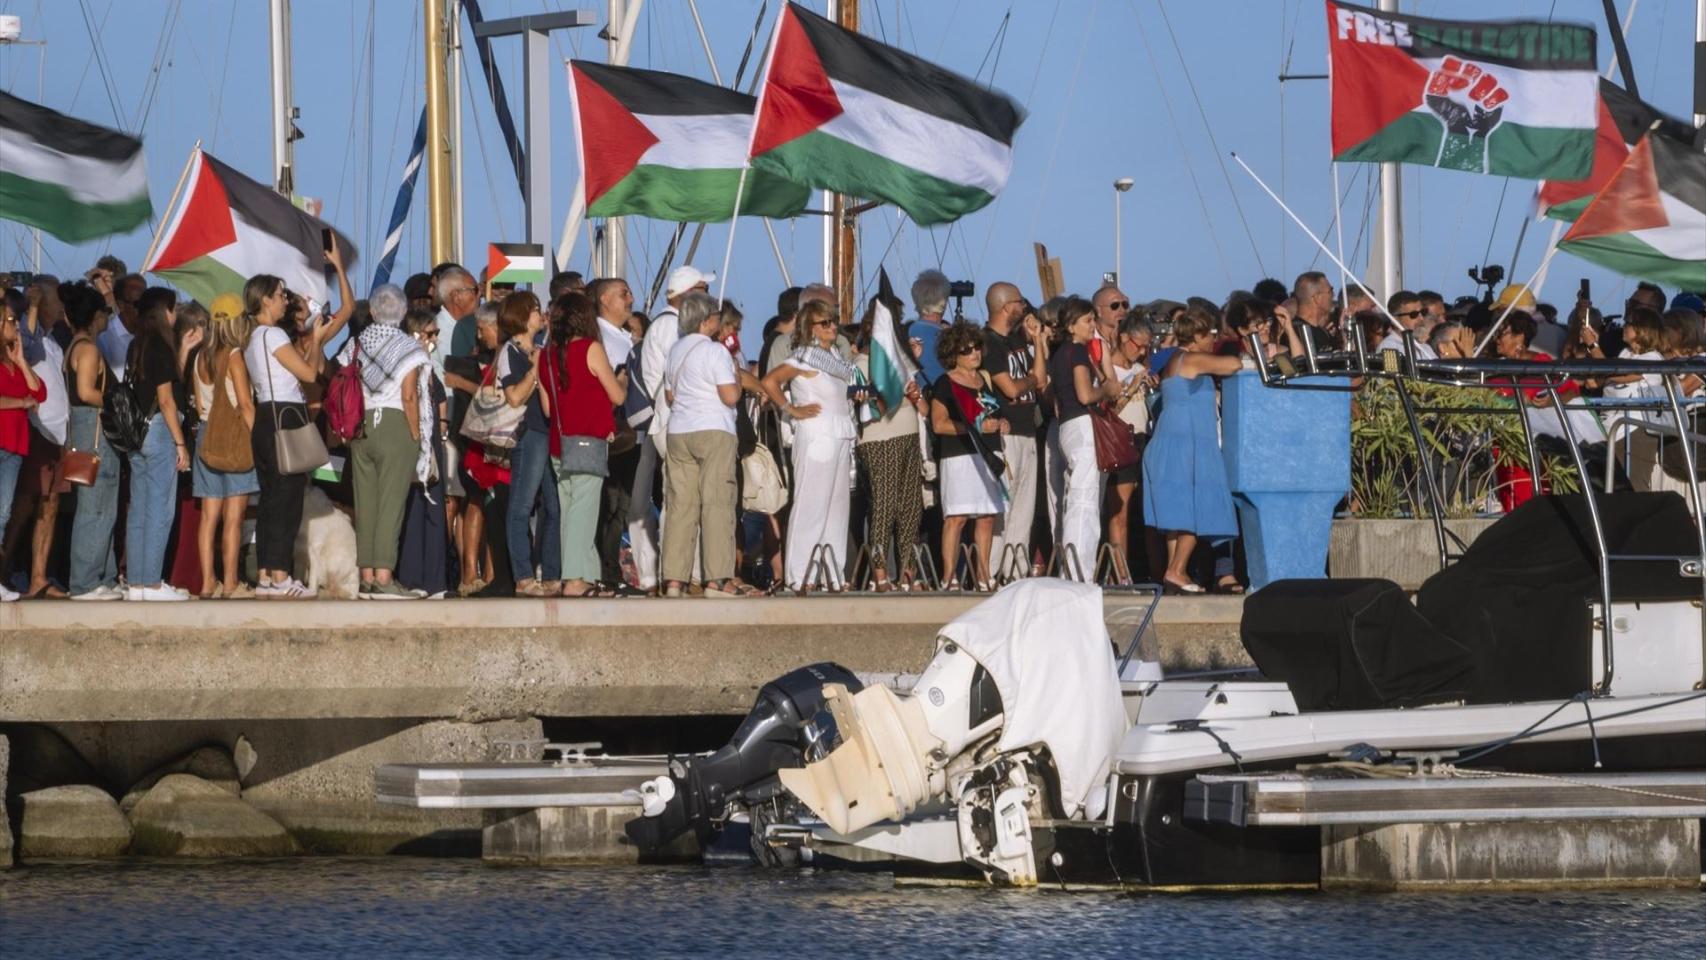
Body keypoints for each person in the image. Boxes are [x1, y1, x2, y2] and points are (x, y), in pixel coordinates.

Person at [245, 242, 351, 599]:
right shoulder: (273, 334)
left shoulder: (252, 338)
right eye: (278, 295)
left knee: (271, 497)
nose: (283, 301)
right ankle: (280, 576)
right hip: (283, 415)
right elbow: (307, 374)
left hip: (264, 415)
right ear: (264, 301)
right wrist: (318, 340)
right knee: (286, 499)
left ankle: (266, 574)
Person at [1142, 306, 1244, 595]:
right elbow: (1233, 366)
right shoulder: (1193, 359)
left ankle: (1175, 572)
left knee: (1175, 513)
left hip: (1170, 441)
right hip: (1188, 442)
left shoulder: (1173, 359)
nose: (1213, 339)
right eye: (1209, 334)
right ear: (1197, 335)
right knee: (1196, 507)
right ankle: (1176, 569)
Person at [662, 291, 757, 598]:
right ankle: (717, 578)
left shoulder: (675, 351)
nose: (719, 320)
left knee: (681, 506)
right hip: (713, 429)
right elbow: (730, 397)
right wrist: (739, 380)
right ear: (706, 321)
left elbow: (670, 396)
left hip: (679, 431)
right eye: (716, 316)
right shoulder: (716, 352)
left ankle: (674, 579)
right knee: (717, 504)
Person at [761, 299, 857, 593]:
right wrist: (792, 409)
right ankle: (799, 573)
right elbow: (770, 381)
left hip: (841, 434)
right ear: (810, 327)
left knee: (837, 507)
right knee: (810, 505)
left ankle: (832, 572)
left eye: (833, 321)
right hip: (816, 435)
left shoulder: (840, 363)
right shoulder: (803, 357)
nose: (832, 327)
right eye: (824, 322)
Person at [347, 284, 431, 599]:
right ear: (404, 311)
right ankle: (384, 577)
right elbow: (410, 396)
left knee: (365, 502)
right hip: (395, 422)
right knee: (391, 504)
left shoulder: (357, 344)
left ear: (372, 312)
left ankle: (366, 575)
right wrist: (415, 435)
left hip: (361, 425)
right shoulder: (408, 347)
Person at [632, 266, 713, 592]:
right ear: (687, 294)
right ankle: (680, 573)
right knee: (680, 499)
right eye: (704, 289)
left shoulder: (667, 327)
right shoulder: (670, 328)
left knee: (677, 498)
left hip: (669, 422)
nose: (709, 296)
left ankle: (672, 573)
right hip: (673, 421)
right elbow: (676, 379)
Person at [541, 292, 626, 598]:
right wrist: (623, 381)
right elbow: (617, 396)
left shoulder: (546, 355)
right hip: (588, 441)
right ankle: (575, 578)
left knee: (570, 511)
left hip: (558, 444)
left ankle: (588, 576)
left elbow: (549, 409)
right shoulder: (591, 349)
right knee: (585, 511)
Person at [853, 295, 927, 591]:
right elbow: (874, 406)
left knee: (910, 506)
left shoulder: (903, 361)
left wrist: (915, 386)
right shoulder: (861, 361)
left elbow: (921, 406)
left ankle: (908, 571)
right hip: (879, 437)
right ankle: (879, 573)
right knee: (883, 506)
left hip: (909, 432)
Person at [122, 301, 192, 602]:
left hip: (136, 434)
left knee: (139, 509)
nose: (176, 315)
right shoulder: (161, 349)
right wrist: (180, 443)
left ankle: (137, 582)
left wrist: (184, 353)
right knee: (161, 509)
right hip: (161, 432)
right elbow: (166, 401)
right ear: (164, 312)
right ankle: (151, 582)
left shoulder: (136, 347)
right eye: (173, 308)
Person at [190, 294, 258, 599]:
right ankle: (231, 583)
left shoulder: (199, 356)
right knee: (234, 517)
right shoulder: (233, 356)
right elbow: (244, 404)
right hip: (233, 439)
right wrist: (263, 441)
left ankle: (208, 582)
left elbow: (201, 404)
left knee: (208, 517)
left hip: (205, 437)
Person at [931, 321, 1007, 590]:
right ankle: (949, 576)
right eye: (967, 350)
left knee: (987, 517)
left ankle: (983, 575)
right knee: (957, 517)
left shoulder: (984, 379)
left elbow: (992, 413)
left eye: (977, 347)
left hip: (988, 454)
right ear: (954, 354)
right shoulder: (946, 383)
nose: (974, 353)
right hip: (959, 457)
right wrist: (973, 428)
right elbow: (938, 424)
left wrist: (1000, 424)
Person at [1048, 297, 1119, 581]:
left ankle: (1076, 569)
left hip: (1067, 426)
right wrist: (1108, 389)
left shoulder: (1059, 353)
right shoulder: (1076, 351)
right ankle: (1078, 572)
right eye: (1087, 321)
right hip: (1081, 424)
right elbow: (1085, 395)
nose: (1093, 326)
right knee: (1084, 500)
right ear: (1071, 325)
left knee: (1077, 495)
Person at [61, 284, 123, 601]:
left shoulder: (73, 346)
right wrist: (117, 403)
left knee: (102, 507)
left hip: (82, 430)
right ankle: (85, 582)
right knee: (95, 507)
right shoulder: (88, 349)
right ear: (96, 316)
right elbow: (86, 393)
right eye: (105, 313)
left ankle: (105, 577)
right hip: (94, 430)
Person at [496, 291, 560, 596]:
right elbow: (514, 396)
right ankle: (523, 575)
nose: (540, 314)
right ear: (521, 316)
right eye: (535, 309)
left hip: (549, 430)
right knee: (522, 505)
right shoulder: (510, 352)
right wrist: (536, 370)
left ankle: (551, 574)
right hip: (528, 432)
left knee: (554, 507)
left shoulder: (542, 347)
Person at [982, 283, 1047, 580]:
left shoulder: (1018, 341)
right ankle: (994, 568)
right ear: (1006, 306)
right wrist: (1030, 381)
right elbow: (1008, 388)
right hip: (1004, 432)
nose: (1025, 308)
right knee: (1003, 507)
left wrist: (1037, 342)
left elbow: (1040, 380)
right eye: (1020, 303)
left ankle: (1015, 571)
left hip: (1026, 430)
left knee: (1025, 507)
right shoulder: (989, 343)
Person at [396, 307, 453, 598]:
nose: (435, 340)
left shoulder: (428, 365)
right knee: (414, 508)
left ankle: (434, 580)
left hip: (431, 442)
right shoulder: (409, 364)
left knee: (433, 509)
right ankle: (412, 577)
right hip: (414, 439)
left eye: (436, 334)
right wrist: (417, 438)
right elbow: (408, 399)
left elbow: (439, 399)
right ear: (415, 335)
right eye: (430, 334)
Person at [0, 305, 46, 601]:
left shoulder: (14, 361)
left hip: (15, 446)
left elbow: (39, 393)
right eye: (11, 320)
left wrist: (21, 361)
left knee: (3, 514)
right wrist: (20, 403)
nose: (16, 325)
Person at [908, 270, 951, 385]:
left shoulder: (906, 331)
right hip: (941, 397)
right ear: (943, 303)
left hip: (916, 397)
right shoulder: (947, 337)